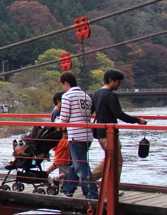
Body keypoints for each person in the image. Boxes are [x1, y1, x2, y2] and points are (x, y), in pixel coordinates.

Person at [91, 68, 147, 186]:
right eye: (118, 81)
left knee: (111, 159)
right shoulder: (111, 96)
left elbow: (93, 111)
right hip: (109, 134)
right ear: (111, 80)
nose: (120, 84)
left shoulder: (97, 93)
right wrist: (137, 120)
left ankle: (90, 179)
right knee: (117, 161)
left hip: (99, 132)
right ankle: (107, 187)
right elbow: (119, 114)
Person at [57, 71, 96, 200]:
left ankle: (92, 194)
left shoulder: (68, 96)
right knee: (76, 163)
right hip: (87, 135)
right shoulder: (86, 96)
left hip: (76, 135)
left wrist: (57, 122)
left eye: (63, 85)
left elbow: (64, 118)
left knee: (81, 166)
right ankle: (68, 189)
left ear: (66, 83)